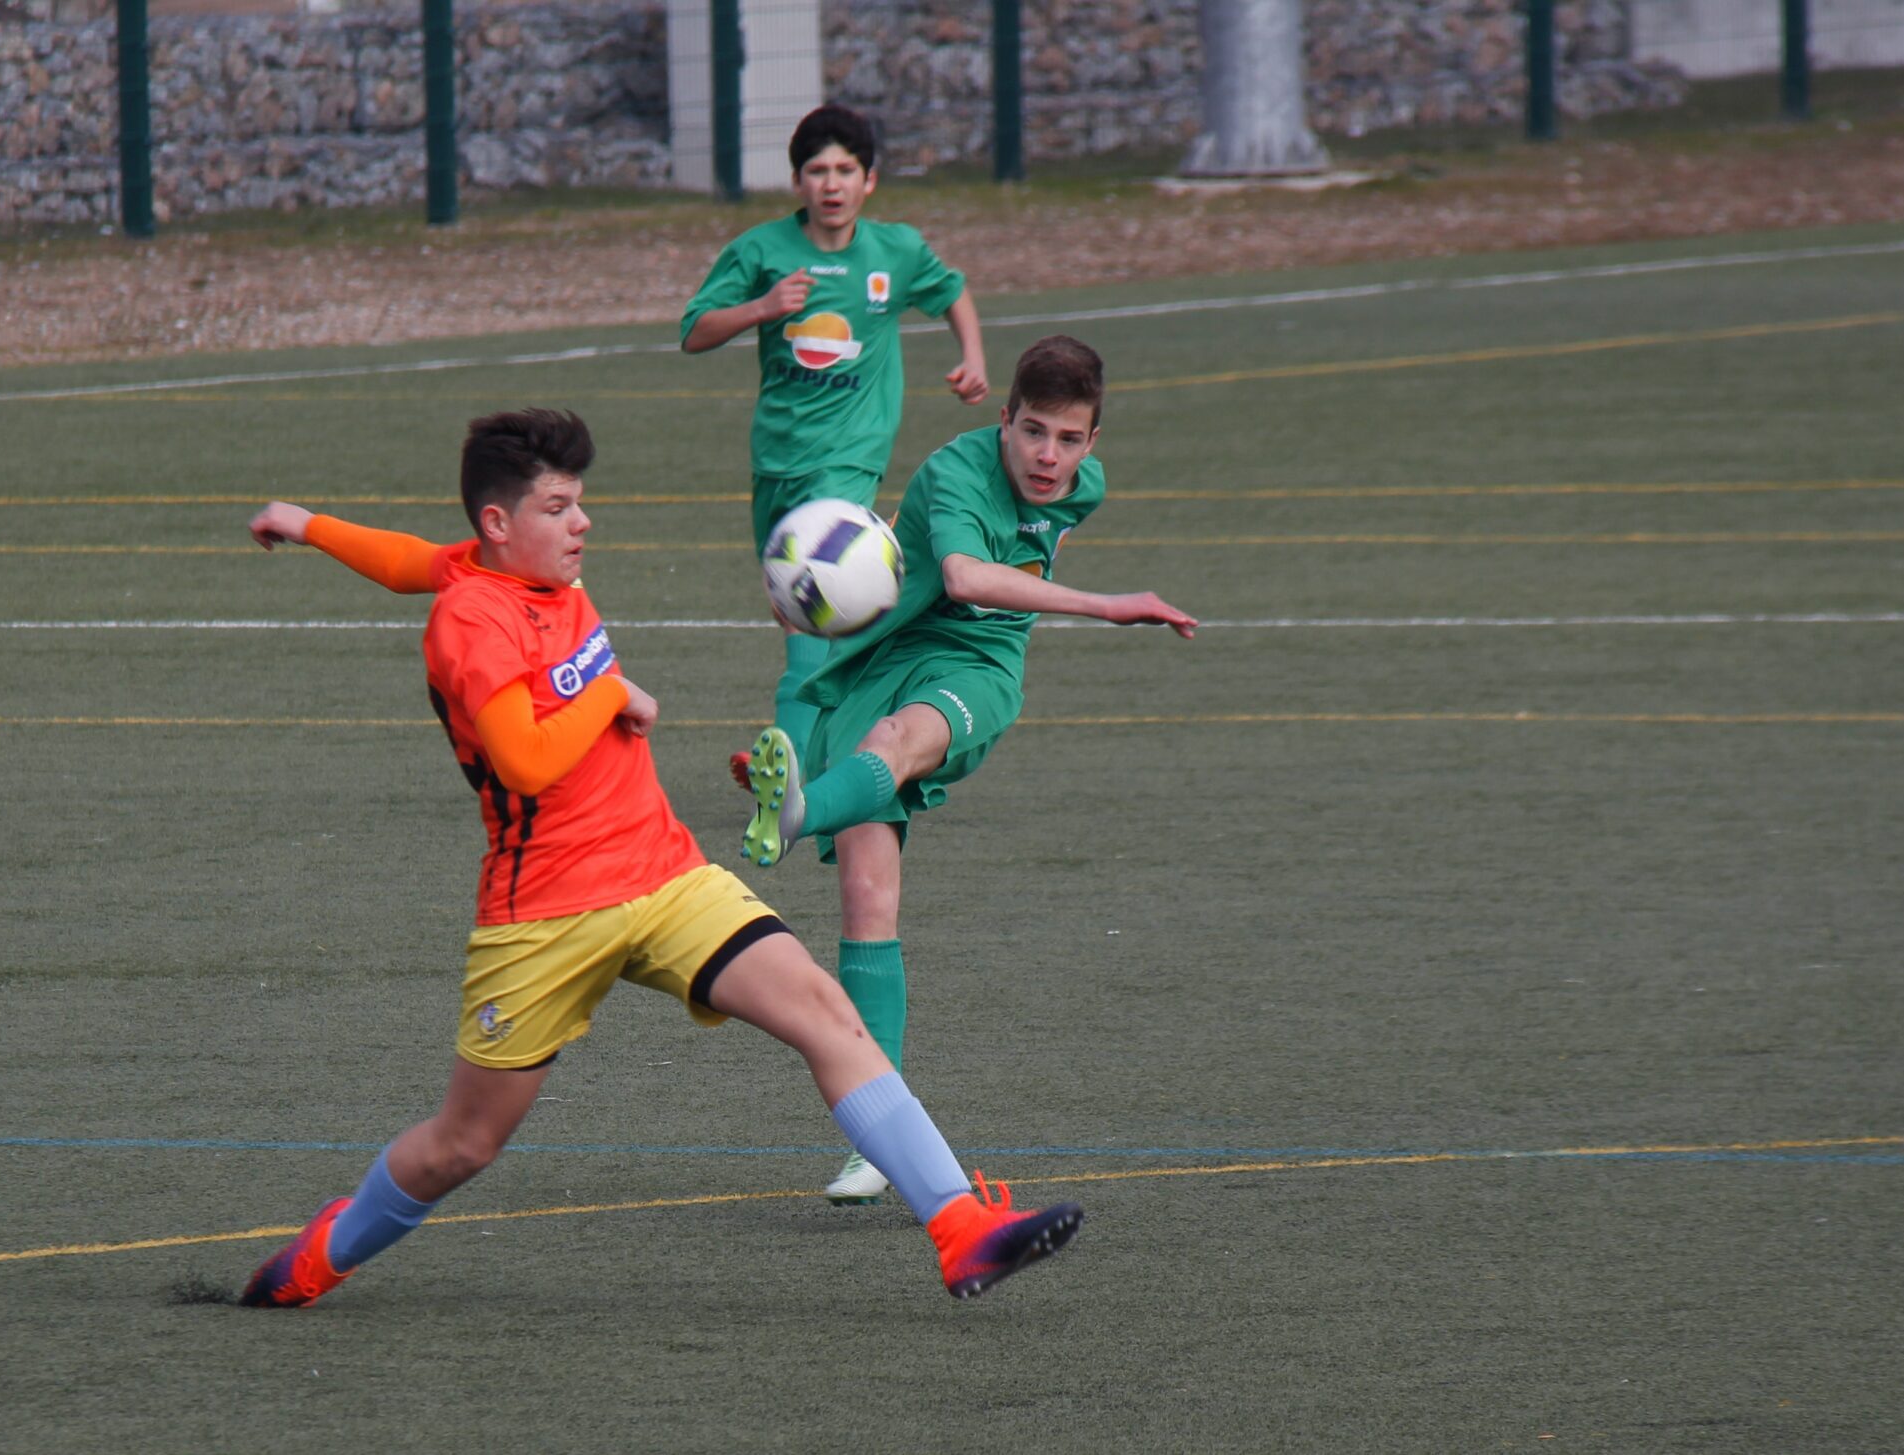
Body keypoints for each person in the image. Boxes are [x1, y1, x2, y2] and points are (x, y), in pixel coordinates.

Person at [233, 407, 1081, 1308]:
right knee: (463, 1145)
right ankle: (323, 1254)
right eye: (558, 508)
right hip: (548, 913)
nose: (582, 522)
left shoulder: (504, 563)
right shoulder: (473, 621)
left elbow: (408, 559)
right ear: (498, 523)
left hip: (665, 872)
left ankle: (959, 1227)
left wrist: (307, 524)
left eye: (578, 502)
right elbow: (523, 759)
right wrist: (608, 695)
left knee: (827, 1014)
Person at [739, 336, 1198, 1205]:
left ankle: (796, 812)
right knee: (867, 899)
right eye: (1033, 432)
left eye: (1069, 439)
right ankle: (879, 1142)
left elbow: (989, 585)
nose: (1049, 456)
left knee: (899, 741)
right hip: (882, 659)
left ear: (1093, 441)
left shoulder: (1083, 487)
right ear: (1005, 420)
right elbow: (960, 574)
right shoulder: (955, 473)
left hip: (978, 669)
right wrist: (1106, 605)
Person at [679, 103, 988, 766]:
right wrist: (762, 308)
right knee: (804, 615)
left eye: (846, 170)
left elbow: (952, 290)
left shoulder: (895, 251)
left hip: (848, 459)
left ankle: (788, 758)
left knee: (816, 601)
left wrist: (973, 357)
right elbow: (694, 331)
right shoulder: (762, 251)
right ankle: (831, 747)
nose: (832, 184)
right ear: (798, 181)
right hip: (777, 458)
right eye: (817, 171)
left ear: (869, 180)